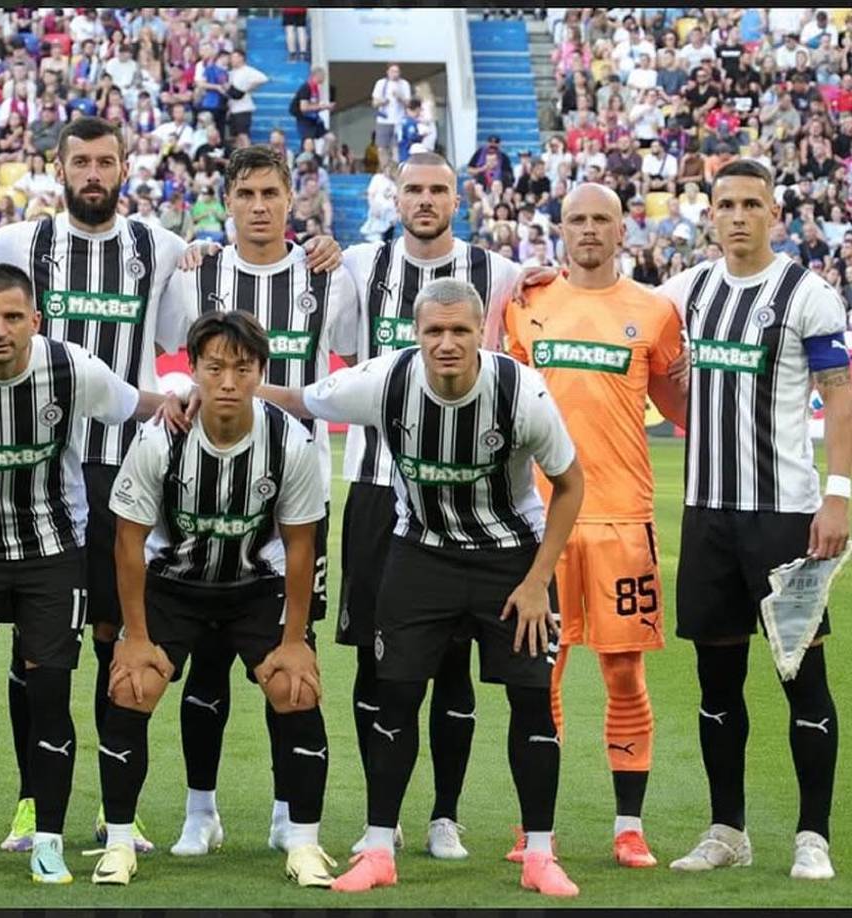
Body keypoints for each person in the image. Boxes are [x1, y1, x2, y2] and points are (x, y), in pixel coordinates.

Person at [0, 118, 341, 852]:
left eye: (105, 161)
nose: (93, 173)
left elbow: (197, 319)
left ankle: (110, 812)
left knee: (115, 644)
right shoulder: (13, 245)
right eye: (80, 161)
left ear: (125, 167)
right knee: (30, 655)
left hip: (128, 471)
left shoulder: (161, 249)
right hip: (41, 473)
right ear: (58, 167)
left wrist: (317, 245)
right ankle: (36, 807)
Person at [257, 277, 585, 897]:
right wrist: (224, 388)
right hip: (421, 555)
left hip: (508, 559)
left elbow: (570, 483)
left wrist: (540, 581)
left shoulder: (521, 392)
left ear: (481, 332)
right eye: (434, 331)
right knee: (394, 697)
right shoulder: (386, 380)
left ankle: (540, 854)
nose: (447, 343)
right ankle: (379, 849)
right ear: (417, 335)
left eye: (460, 330)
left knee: (531, 700)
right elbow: (302, 399)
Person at [0, 264, 186, 885]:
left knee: (50, 697)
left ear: (36, 320)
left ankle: (48, 841)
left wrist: (181, 395)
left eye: (12, 318)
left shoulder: (71, 367)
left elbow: (137, 405)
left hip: (52, 554)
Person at [159, 145, 359, 857]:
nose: (260, 206)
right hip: (204, 496)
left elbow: (352, 360)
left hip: (294, 502)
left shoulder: (326, 277)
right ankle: (200, 811)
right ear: (229, 200)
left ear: (291, 199)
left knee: (288, 659)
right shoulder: (196, 274)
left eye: (271, 192)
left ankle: (284, 811)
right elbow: (174, 366)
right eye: (245, 193)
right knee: (207, 661)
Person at [92, 310, 332, 887]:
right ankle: (120, 844)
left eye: (242, 369)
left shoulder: (288, 440)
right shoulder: (161, 437)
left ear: (260, 373)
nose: (228, 382)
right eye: (215, 368)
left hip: (254, 587)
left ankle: (303, 843)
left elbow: (302, 546)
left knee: (296, 689)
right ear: (192, 370)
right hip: (175, 585)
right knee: (131, 686)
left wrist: (296, 642)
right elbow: (128, 540)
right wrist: (136, 637)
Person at [659, 160, 849, 880]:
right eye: (725, 204)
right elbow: (616, 305)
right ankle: (727, 830)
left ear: (775, 213)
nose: (737, 216)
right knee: (715, 681)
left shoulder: (809, 294)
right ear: (710, 214)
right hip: (707, 517)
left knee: (801, 675)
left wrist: (839, 494)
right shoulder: (690, 290)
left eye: (751, 204)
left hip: (786, 518)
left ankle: (812, 835)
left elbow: (842, 398)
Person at [337, 151, 523, 859]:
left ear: (457, 197)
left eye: (437, 189)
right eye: (413, 189)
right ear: (396, 198)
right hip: (378, 490)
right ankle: (377, 815)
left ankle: (445, 814)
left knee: (451, 659)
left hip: (462, 499)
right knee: (371, 661)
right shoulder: (359, 264)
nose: (424, 200)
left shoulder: (498, 274)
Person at [503, 183, 688, 867]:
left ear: (622, 231)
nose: (588, 230)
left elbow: (684, 407)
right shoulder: (528, 306)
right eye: (576, 219)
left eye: (600, 219)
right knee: (539, 675)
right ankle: (534, 828)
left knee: (622, 674)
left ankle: (628, 826)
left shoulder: (655, 312)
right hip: (542, 523)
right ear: (561, 229)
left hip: (622, 520)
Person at [371, 64, 411, 169]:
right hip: (383, 120)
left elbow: (408, 103)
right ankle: (384, 169)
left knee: (396, 147)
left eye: (397, 71)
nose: (395, 74)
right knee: (381, 148)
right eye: (392, 71)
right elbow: (374, 103)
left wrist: (399, 97)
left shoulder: (404, 84)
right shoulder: (381, 83)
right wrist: (383, 101)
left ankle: (395, 171)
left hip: (398, 120)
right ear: (387, 72)